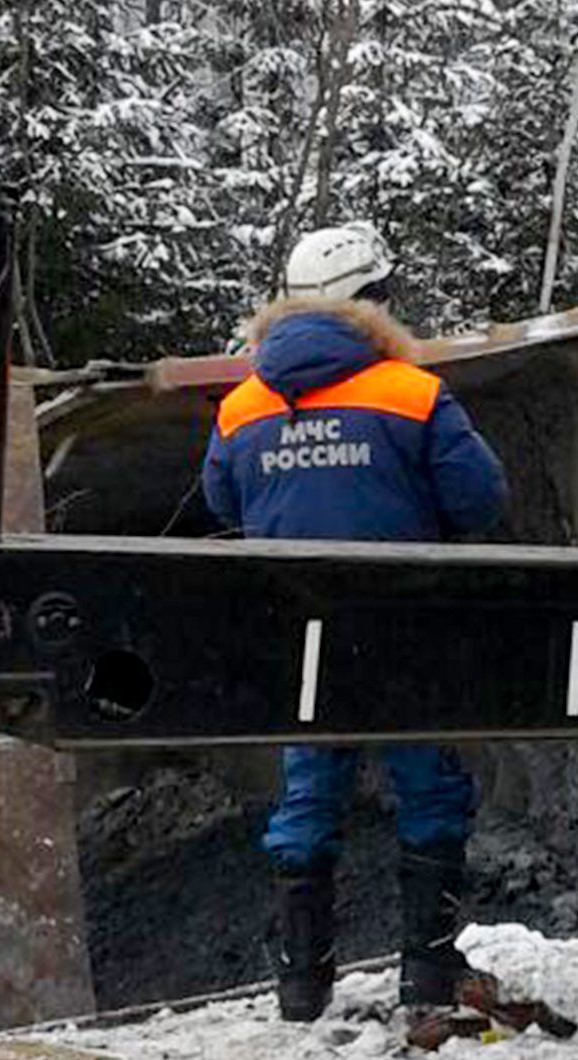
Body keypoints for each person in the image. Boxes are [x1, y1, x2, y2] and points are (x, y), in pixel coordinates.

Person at [201, 221, 508, 1022]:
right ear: (367, 302)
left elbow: (220, 504)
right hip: (403, 629)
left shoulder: (241, 407)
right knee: (430, 791)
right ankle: (428, 981)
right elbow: (480, 499)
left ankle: (301, 988)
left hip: (303, 637)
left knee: (308, 794)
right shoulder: (410, 393)